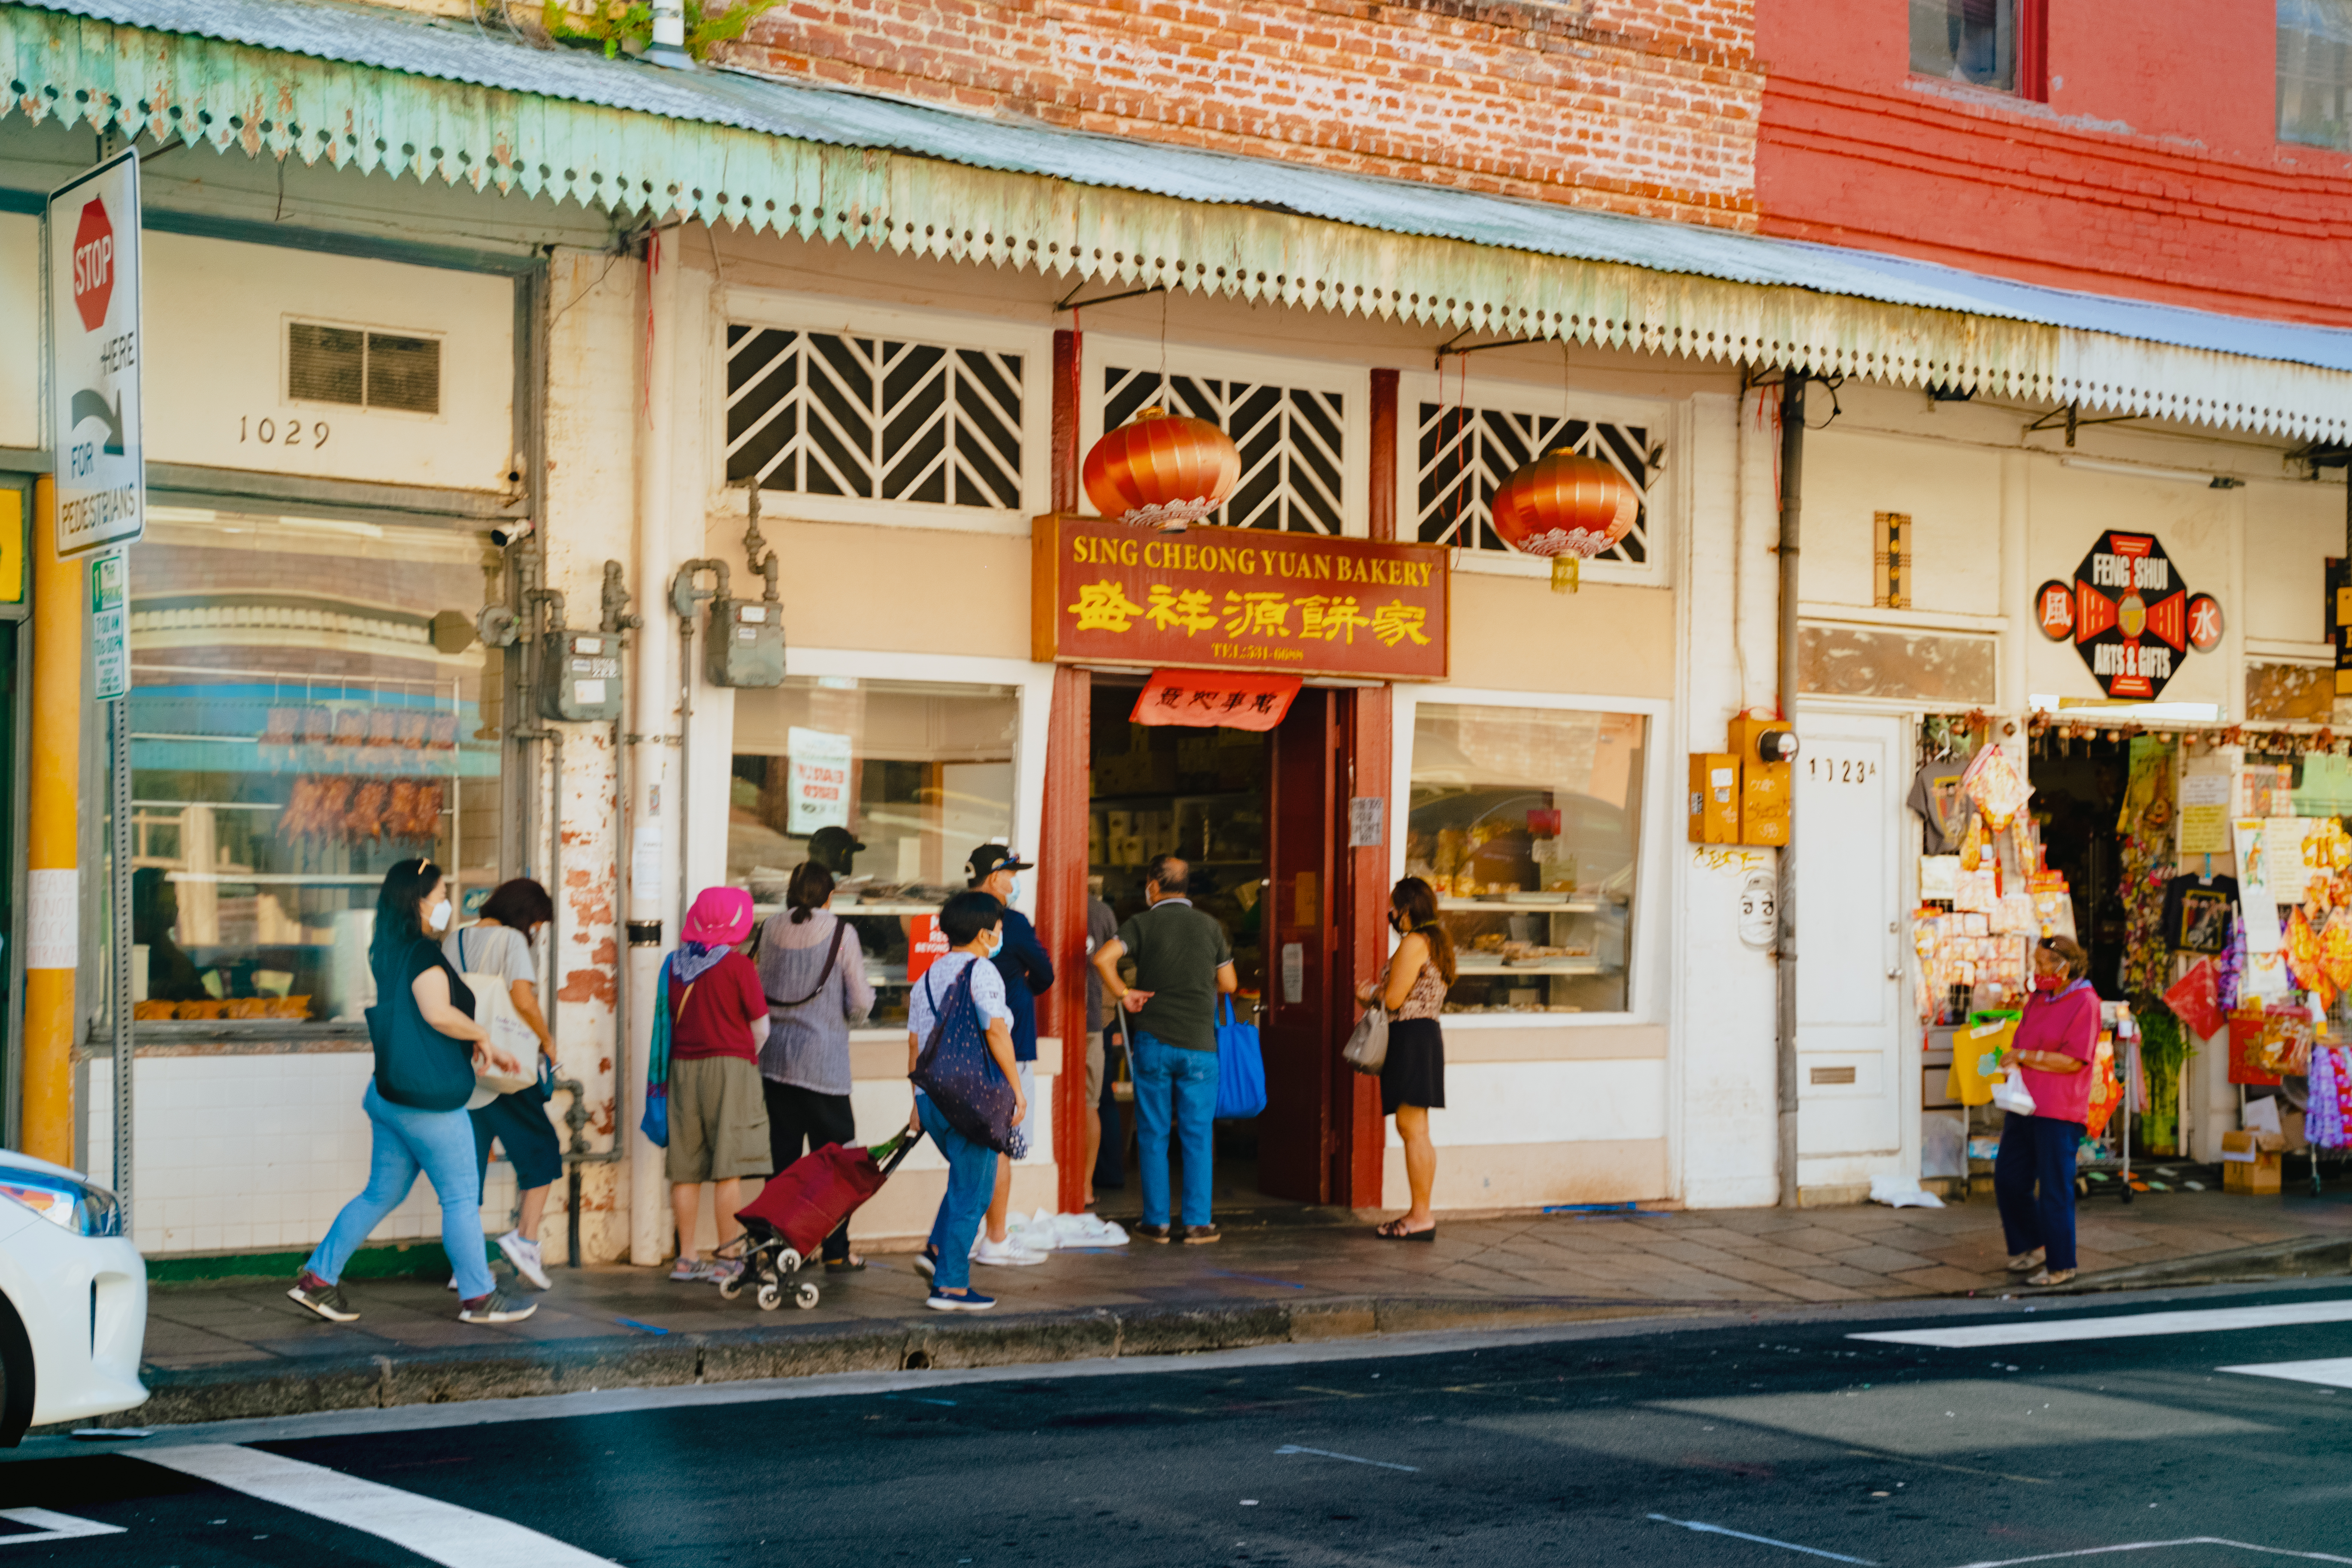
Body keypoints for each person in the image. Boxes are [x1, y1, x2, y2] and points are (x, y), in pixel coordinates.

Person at [288, 859, 535, 1325]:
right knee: (461, 1197)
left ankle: (318, 1281)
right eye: (441, 896)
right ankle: (479, 1298)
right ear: (419, 901)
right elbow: (438, 1012)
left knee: (380, 1193)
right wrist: (484, 1038)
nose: (446, 904)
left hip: (389, 1095)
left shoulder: (386, 950)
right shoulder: (421, 953)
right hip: (429, 1101)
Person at [1090, 854, 1236, 1244]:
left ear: (1154, 885)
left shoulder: (1142, 922)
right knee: (1197, 1134)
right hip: (1200, 1047)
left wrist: (1124, 993)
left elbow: (1102, 958)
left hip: (1154, 1041)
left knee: (1153, 1131)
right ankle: (1197, 1224)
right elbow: (1229, 983)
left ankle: (1155, 1222)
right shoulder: (1210, 927)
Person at [905, 890, 1028, 1310]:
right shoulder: (982, 971)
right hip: (971, 1099)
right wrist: (1016, 1088)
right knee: (974, 1190)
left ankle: (938, 1251)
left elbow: (915, 1045)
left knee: (965, 1180)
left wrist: (916, 1100)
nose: (999, 934)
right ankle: (952, 1286)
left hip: (932, 1099)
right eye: (997, 928)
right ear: (982, 933)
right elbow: (995, 1031)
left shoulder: (926, 977)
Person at [754, 861, 876, 1271]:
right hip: (823, 1066)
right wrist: (847, 1017)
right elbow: (859, 1002)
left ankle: (781, 1247)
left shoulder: (769, 927)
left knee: (781, 1164)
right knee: (838, 1165)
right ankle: (837, 1250)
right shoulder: (843, 933)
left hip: (773, 1061)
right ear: (830, 896)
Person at [446, 878, 561, 1291]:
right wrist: (547, 1042)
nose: (536, 932)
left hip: (465, 1066)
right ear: (524, 915)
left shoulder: (455, 940)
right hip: (506, 1066)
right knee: (543, 1150)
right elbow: (523, 999)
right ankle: (525, 1240)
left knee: (468, 1165)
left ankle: (466, 1263)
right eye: (536, 922)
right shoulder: (512, 941)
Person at [665, 887, 774, 1283]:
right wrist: (747, 1052)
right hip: (730, 1067)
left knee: (686, 1168)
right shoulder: (738, 967)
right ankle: (729, 1258)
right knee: (728, 1167)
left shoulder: (673, 965)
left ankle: (686, 1257)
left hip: (681, 1068)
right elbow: (761, 1026)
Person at [1354, 875, 1454, 1241]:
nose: (1391, 915)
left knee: (1413, 1130)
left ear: (1407, 910)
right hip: (1423, 1037)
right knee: (1416, 1129)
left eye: (1394, 909)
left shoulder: (1414, 942)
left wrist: (1367, 993)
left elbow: (1394, 1000)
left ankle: (1420, 1215)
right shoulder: (1436, 940)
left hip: (1410, 1038)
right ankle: (1419, 1212)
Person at [1996, 935, 2100, 1287]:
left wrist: (2026, 1057)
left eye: (2042, 965)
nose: (2036, 971)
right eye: (2035, 964)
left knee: (2054, 1188)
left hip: (2058, 1109)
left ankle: (2061, 1264)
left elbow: (2073, 1061)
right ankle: (2030, 1245)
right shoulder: (2037, 999)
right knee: (2009, 1178)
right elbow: (2021, 1041)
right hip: (2024, 1103)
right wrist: (2013, 1059)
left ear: (2064, 967)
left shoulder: (2085, 1002)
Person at [968, 845, 1053, 1266]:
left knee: (972, 1144)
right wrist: (1023, 983)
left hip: (961, 1047)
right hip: (1009, 1047)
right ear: (993, 875)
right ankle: (996, 1238)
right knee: (1001, 1145)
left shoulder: (956, 916)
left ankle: (964, 1234)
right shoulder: (1013, 923)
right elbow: (1046, 973)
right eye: (1010, 873)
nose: (1014, 880)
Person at [1083, 878, 1119, 1208]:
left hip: (1046, 1025)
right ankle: (1084, 1188)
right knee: (1091, 1104)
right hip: (1094, 1020)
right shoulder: (1102, 912)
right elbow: (1112, 962)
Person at [131, 866, 210, 1004]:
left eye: (174, 902)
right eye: (167, 903)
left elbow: (203, 1002)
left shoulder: (177, 961)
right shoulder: (130, 960)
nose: (175, 909)